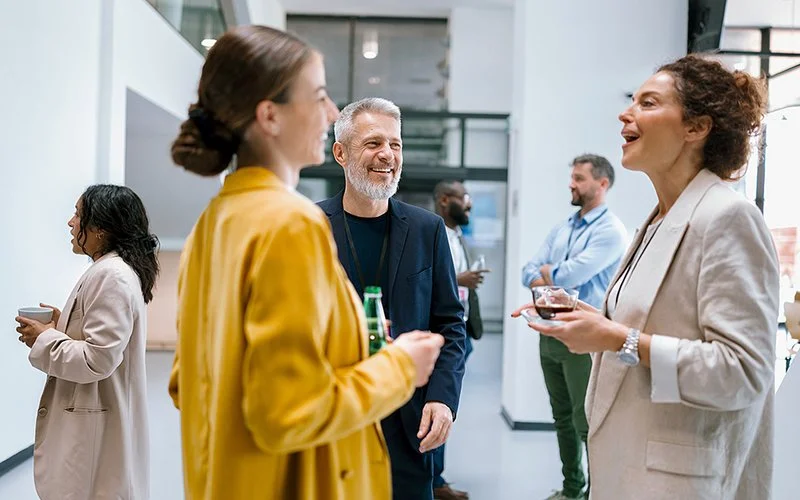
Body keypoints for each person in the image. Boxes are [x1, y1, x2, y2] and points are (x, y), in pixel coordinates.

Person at [168, 26, 444, 500]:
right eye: (318, 97)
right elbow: (287, 413)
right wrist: (399, 367)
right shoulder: (291, 223)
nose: (332, 112)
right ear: (270, 115)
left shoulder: (213, 223)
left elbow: (185, 384)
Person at [516, 55, 778, 499]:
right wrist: (588, 317)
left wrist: (619, 339)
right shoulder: (657, 221)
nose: (626, 113)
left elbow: (743, 372)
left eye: (648, 103)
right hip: (630, 466)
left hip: (678, 480)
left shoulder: (728, 217)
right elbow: (652, 322)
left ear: (696, 127)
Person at [318, 97, 467, 500]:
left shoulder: (427, 230)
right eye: (373, 143)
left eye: (395, 144)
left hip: (409, 423)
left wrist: (442, 398)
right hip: (335, 417)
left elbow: (450, 325)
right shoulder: (310, 228)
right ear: (340, 153)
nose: (387, 154)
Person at [15, 184, 158, 500]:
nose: (71, 222)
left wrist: (45, 337)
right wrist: (62, 326)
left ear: (101, 229)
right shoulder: (111, 270)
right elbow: (102, 341)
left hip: (96, 432)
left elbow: (98, 359)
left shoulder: (112, 275)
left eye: (79, 215)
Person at [520, 154, 627, 500]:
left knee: (586, 424)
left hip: (584, 339)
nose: (571, 184)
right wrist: (551, 274)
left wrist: (551, 274)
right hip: (549, 333)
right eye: (572, 177)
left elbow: (569, 276)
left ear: (602, 184)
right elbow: (528, 270)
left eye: (579, 178)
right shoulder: (563, 227)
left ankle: (597, 494)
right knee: (562, 418)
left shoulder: (610, 231)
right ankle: (571, 490)